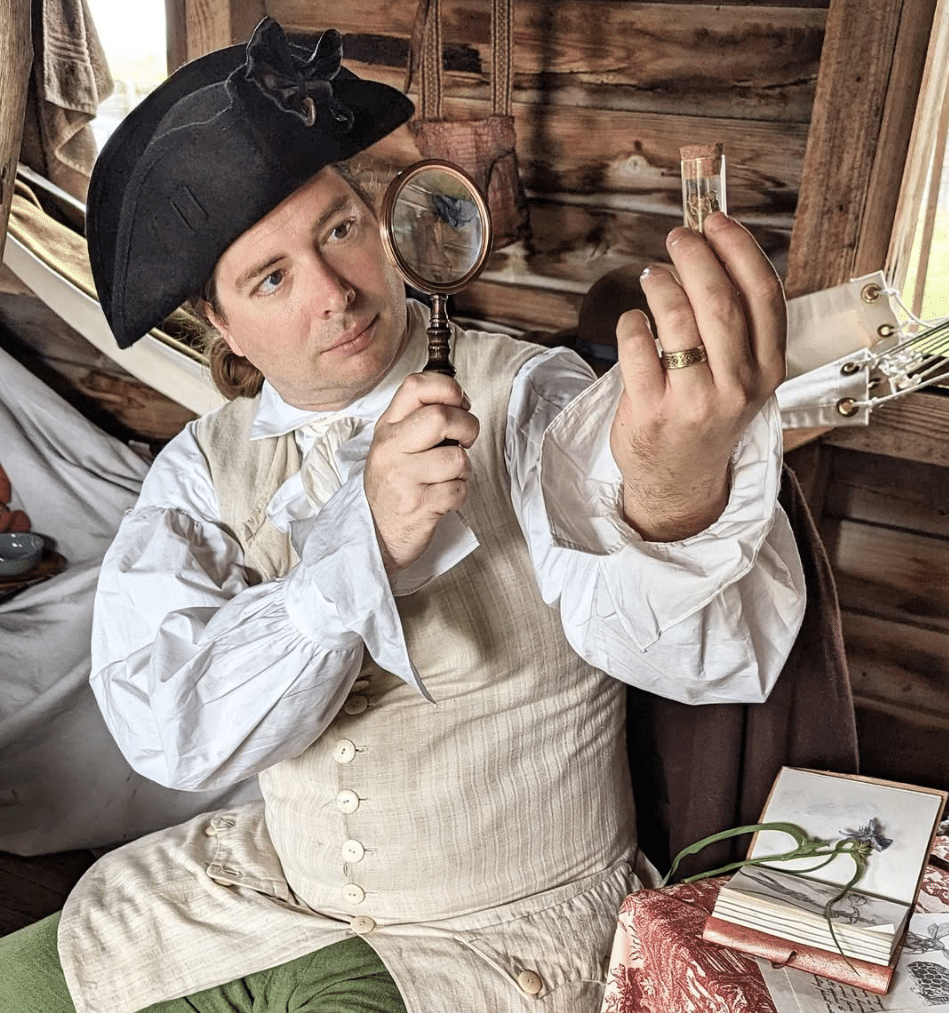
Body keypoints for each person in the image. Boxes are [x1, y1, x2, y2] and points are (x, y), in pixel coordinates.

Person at [0, 16, 806, 1013]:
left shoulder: (532, 398)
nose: (335, 295)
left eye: (338, 229)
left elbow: (692, 655)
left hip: (506, 928)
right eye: (271, 277)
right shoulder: (201, 470)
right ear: (222, 324)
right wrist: (358, 552)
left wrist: (669, 485)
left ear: (383, 223)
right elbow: (172, 733)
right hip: (278, 894)